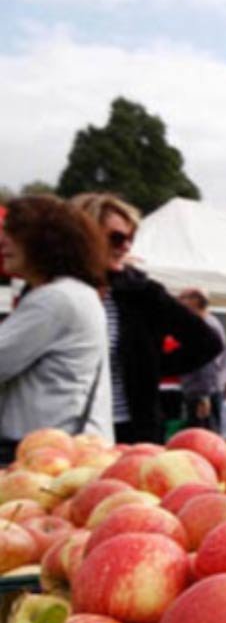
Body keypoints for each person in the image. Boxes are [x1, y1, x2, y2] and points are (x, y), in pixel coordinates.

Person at [72, 193, 223, 443]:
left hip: (132, 430)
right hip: (69, 430)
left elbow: (207, 342)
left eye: (130, 239)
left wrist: (151, 365)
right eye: (117, 237)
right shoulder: (54, 291)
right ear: (83, 235)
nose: (126, 246)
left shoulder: (142, 292)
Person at [0, 196, 112, 462]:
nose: (3, 242)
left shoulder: (54, 299)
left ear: (45, 242)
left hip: (43, 456)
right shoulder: (76, 294)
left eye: (14, 234)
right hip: (67, 451)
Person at [178, 287, 226, 433]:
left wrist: (203, 395)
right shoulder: (208, 321)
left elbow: (208, 364)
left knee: (203, 436)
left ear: (195, 301)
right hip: (204, 389)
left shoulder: (204, 325)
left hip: (203, 390)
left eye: (183, 298)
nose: (179, 302)